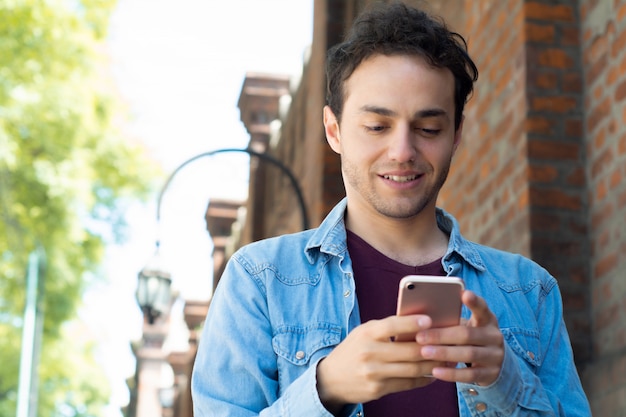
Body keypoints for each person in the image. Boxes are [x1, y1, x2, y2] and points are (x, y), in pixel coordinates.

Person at [191, 2, 591, 416]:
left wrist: (504, 379)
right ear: (334, 131)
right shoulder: (260, 281)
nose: (402, 151)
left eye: (428, 128)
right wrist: (325, 387)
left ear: (455, 136)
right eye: (378, 126)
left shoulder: (530, 291)